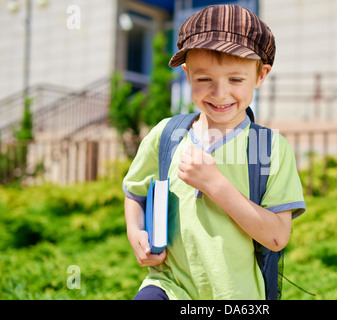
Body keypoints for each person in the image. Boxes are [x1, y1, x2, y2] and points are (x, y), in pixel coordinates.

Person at [122, 4, 306, 300]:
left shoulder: (269, 149)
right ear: (187, 72)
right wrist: (135, 232)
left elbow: (276, 237)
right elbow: (135, 193)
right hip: (169, 286)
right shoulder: (167, 135)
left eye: (235, 79)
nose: (219, 93)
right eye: (204, 79)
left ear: (261, 75)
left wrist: (214, 184)